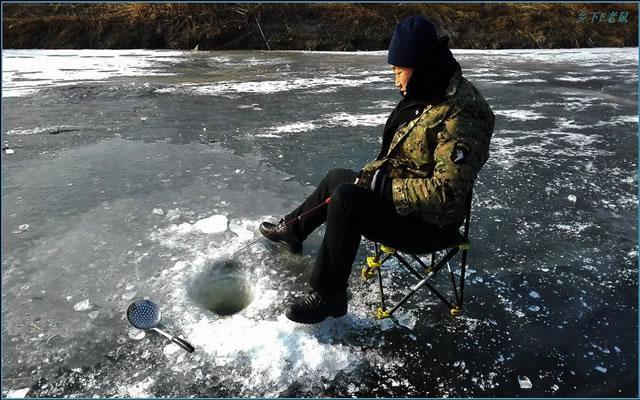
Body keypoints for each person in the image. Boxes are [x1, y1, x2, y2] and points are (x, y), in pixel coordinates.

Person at [260, 15, 495, 324]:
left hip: (430, 225)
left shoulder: (462, 112)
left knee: (347, 199)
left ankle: (330, 295)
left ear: (421, 64)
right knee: (337, 179)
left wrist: (385, 188)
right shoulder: (430, 91)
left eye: (399, 70)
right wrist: (378, 179)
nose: (396, 80)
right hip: (405, 205)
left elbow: (448, 193)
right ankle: (293, 229)